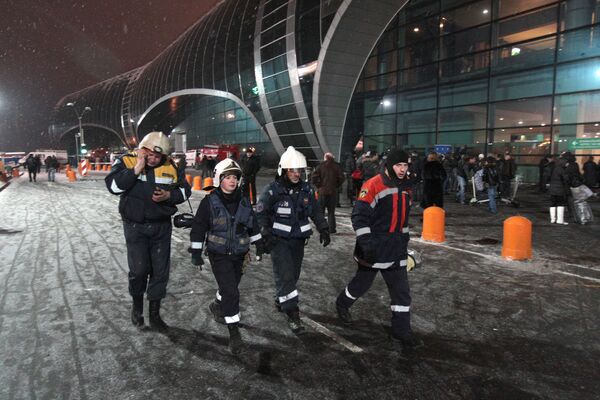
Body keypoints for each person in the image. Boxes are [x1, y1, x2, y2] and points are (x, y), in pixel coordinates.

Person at [335, 148, 423, 351]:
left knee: (401, 292)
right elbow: (359, 216)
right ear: (389, 165)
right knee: (361, 284)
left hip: (396, 249)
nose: (402, 169)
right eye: (399, 165)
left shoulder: (405, 188)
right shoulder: (373, 184)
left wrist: (404, 242)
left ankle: (401, 330)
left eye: (405, 165)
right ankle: (342, 303)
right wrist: (367, 244)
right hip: (373, 248)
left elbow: (401, 220)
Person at [105, 131, 192, 331]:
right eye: (150, 154)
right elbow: (114, 187)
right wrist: (136, 169)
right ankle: (137, 309)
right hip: (135, 227)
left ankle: (155, 315)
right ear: (142, 150)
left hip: (161, 227)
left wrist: (169, 196)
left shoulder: (172, 166)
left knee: (160, 273)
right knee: (139, 271)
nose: (153, 159)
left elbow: (185, 191)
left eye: (158, 156)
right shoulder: (126, 161)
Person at [188, 159, 264, 354]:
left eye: (235, 177)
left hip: (239, 254)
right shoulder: (209, 201)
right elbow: (198, 228)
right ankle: (234, 333)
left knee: (229, 287)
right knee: (231, 291)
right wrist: (196, 252)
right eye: (228, 177)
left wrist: (259, 243)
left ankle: (217, 304)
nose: (232, 181)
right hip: (219, 254)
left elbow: (252, 224)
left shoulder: (244, 200)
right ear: (219, 179)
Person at [256, 146, 330, 334]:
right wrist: (264, 233)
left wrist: (323, 228)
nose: (296, 174)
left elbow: (316, 211)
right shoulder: (272, 190)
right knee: (286, 275)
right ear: (283, 170)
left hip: (298, 241)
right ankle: (292, 313)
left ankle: (282, 298)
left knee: (293, 275)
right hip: (278, 241)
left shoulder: (306, 190)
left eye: (299, 170)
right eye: (292, 170)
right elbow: (260, 213)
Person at [312, 152, 344, 233]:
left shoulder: (320, 166)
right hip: (333, 192)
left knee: (321, 211)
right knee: (331, 212)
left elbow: (313, 178)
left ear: (325, 157)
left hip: (322, 192)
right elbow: (342, 178)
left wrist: (319, 186)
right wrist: (336, 185)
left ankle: (321, 227)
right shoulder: (337, 166)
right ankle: (331, 229)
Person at [548, 152, 570, 225]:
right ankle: (560, 220)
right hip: (559, 189)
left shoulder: (555, 168)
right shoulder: (562, 170)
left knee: (553, 203)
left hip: (552, 188)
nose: (567, 164)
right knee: (560, 203)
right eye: (567, 163)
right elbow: (566, 179)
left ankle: (552, 219)